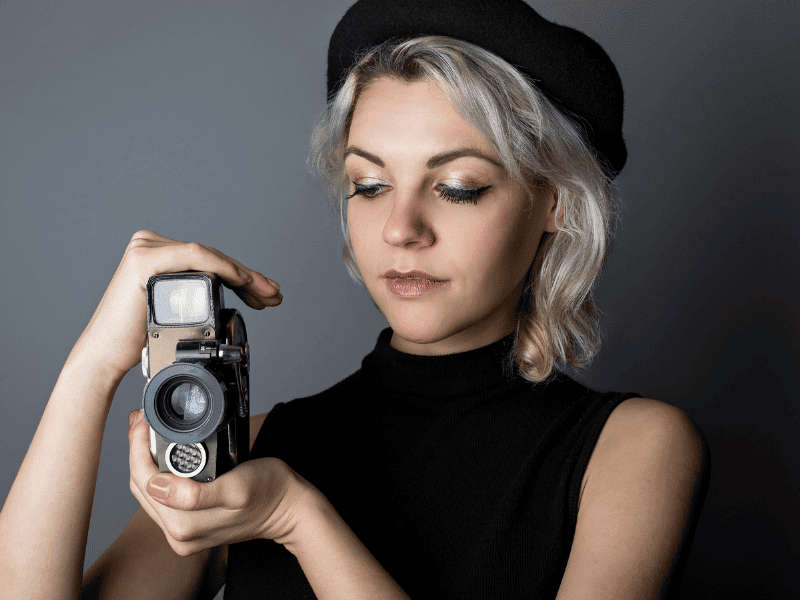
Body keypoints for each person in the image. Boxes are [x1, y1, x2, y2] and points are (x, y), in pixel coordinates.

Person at [0, 1, 710, 599]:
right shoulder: (245, 449)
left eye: (457, 186)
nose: (400, 229)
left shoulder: (632, 450)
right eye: (369, 185)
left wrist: (296, 518)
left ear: (554, 203)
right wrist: (91, 370)